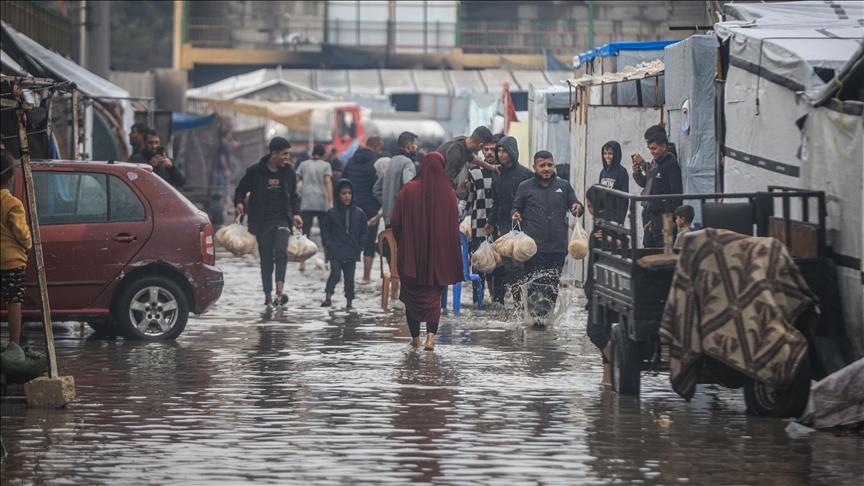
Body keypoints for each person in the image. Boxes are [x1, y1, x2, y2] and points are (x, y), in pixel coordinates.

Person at [390, 152, 463, 351]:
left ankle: (415, 340)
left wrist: (404, 243)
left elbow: (395, 222)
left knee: (411, 298)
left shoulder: (408, 190)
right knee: (433, 298)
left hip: (411, 254)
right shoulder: (448, 192)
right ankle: (430, 340)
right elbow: (452, 227)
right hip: (437, 257)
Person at [512, 150, 583, 324]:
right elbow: (516, 208)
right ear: (534, 167)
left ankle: (547, 321)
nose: (546, 169)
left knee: (551, 286)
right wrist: (515, 214)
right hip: (533, 248)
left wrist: (576, 207)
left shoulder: (564, 186)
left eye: (550, 165)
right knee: (535, 286)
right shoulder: (525, 187)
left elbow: (576, 205)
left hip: (558, 248)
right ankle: (534, 322)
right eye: (542, 165)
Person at [234, 137, 303, 307]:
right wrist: (239, 203)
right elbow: (240, 190)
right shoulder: (255, 171)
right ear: (273, 154)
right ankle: (268, 295)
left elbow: (294, 196)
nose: (287, 157)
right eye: (284, 154)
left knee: (280, 252)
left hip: (282, 219)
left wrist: (296, 213)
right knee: (265, 259)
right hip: (261, 221)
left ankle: (280, 292)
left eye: (288, 154)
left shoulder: (288, 172)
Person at [486, 136, 532, 304]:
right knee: (508, 266)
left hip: (523, 225)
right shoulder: (497, 173)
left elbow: (532, 200)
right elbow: (496, 201)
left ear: (512, 151)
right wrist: (491, 221)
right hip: (504, 225)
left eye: (504, 150)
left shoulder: (526, 174)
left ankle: (523, 303)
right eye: (499, 150)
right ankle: (515, 303)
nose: (501, 154)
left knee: (520, 264)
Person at [631, 126, 683, 248]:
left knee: (665, 252)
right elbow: (646, 183)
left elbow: (677, 194)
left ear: (664, 146)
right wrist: (637, 173)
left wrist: (674, 218)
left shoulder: (670, 164)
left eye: (654, 148)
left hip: (665, 217)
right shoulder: (655, 162)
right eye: (650, 149)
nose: (652, 152)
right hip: (650, 214)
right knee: (648, 249)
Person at [465, 133, 501, 301]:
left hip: (499, 228)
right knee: (478, 267)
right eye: (485, 149)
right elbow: (468, 202)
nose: (489, 153)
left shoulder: (502, 172)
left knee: (498, 268)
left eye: (492, 149)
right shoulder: (473, 172)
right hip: (478, 226)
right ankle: (477, 302)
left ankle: (496, 302)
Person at [0, 150, 31, 346]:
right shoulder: (12, 204)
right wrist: (29, 245)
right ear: (11, 177)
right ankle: (14, 344)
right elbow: (21, 232)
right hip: (12, 262)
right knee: (14, 303)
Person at [321, 179, 367, 309]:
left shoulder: (359, 213)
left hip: (352, 250)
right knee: (335, 274)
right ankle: (328, 297)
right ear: (338, 195)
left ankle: (349, 303)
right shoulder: (331, 213)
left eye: (349, 193)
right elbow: (325, 231)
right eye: (343, 193)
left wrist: (360, 246)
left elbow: (364, 231)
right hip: (336, 250)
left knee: (349, 278)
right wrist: (329, 245)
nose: (347, 196)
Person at [342, 142, 383, 282]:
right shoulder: (375, 163)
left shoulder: (350, 161)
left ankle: (349, 276)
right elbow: (378, 185)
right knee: (370, 242)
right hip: (371, 208)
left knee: (351, 240)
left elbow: (343, 180)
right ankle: (366, 277)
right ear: (376, 147)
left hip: (351, 206)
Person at [374, 131, 418, 228]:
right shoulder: (408, 163)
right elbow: (409, 187)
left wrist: (387, 201)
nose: (416, 147)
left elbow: (376, 189)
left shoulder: (391, 162)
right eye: (415, 144)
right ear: (408, 145)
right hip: (402, 218)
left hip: (388, 217)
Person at [437, 126, 496, 191]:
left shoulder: (464, 142)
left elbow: (472, 158)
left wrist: (490, 167)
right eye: (484, 148)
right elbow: (447, 180)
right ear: (480, 145)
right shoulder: (456, 151)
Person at [296, 144, 334, 243]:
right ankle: (327, 256)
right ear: (323, 154)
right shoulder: (326, 165)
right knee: (325, 232)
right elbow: (328, 182)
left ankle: (303, 256)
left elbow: (295, 181)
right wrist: (330, 201)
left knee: (305, 232)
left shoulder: (303, 164)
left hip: (306, 203)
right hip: (322, 203)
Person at [598, 140, 629, 225]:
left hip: (616, 217)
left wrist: (620, 219)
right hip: (603, 216)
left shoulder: (622, 172)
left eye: (610, 154)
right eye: (605, 153)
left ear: (616, 154)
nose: (607, 156)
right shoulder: (603, 172)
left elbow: (624, 198)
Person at [211, 127, 238, 226]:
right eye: (229, 134)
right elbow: (222, 158)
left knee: (225, 189)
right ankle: (225, 210)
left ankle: (226, 209)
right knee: (224, 189)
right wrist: (226, 169)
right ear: (226, 135)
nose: (230, 136)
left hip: (222, 171)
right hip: (222, 171)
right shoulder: (223, 145)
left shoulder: (225, 145)